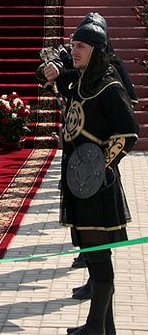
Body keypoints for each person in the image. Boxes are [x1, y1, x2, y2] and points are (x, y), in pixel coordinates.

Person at [57, 21, 138, 334]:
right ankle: (105, 327)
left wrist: (100, 166)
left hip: (97, 185)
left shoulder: (109, 87)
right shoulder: (80, 84)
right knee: (93, 255)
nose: (74, 51)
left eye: (81, 47)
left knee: (98, 257)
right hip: (79, 181)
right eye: (74, 45)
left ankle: (96, 327)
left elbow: (128, 133)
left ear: (96, 52)